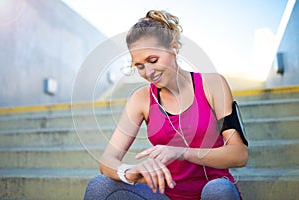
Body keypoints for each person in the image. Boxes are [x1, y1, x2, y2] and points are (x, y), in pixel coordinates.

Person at [84, 10, 248, 200]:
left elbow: (239, 154)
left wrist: (182, 152)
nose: (148, 72)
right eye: (139, 66)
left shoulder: (213, 85)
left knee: (219, 189)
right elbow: (107, 160)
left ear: (174, 47)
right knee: (100, 185)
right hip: (165, 195)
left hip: (211, 192)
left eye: (153, 60)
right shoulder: (141, 99)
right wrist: (130, 172)